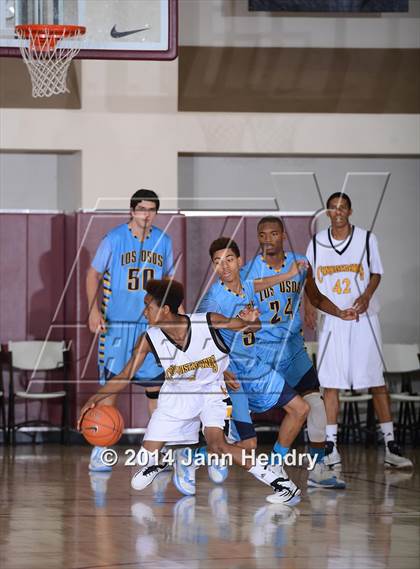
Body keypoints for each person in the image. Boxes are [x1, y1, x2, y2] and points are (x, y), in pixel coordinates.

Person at [79, 279, 302, 506]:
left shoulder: (207, 322)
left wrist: (252, 321)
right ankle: (164, 460)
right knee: (138, 480)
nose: (144, 312)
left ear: (165, 309)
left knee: (218, 445)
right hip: (175, 399)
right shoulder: (149, 339)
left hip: (211, 393)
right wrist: (95, 399)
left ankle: (283, 484)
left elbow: (249, 327)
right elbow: (124, 375)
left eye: (149, 306)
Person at [200, 237, 352, 489]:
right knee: (248, 447)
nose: (224, 266)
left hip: (257, 368)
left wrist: (290, 275)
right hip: (236, 375)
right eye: (217, 262)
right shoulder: (213, 299)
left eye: (229, 260)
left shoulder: (247, 286)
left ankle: (275, 463)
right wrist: (220, 369)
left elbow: (264, 285)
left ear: (240, 262)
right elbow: (198, 339)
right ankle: (195, 456)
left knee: (302, 409)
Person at [240, 216, 361, 482]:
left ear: (283, 235)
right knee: (236, 412)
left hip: (293, 349)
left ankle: (317, 470)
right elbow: (245, 302)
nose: (268, 239)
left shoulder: (300, 263)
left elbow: (315, 297)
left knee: (316, 407)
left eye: (273, 234)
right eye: (262, 235)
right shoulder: (249, 271)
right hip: (263, 352)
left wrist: (339, 312)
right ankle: (205, 454)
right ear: (258, 238)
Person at [304, 192, 413, 469]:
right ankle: (331, 446)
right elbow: (309, 281)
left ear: (350, 211)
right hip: (332, 319)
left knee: (375, 378)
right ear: (327, 213)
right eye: (332, 208)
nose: (337, 212)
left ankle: (390, 444)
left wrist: (366, 296)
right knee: (331, 383)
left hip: (364, 318)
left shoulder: (366, 239)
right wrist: (310, 307)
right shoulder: (316, 243)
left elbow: (376, 272)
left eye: (342, 207)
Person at [86, 189, 175, 472]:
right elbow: (92, 274)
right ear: (132, 210)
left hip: (150, 327)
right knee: (112, 387)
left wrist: (172, 317)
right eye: (141, 209)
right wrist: (92, 309)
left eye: (151, 210)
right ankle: (101, 449)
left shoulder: (164, 241)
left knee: (155, 390)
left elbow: (170, 281)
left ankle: (155, 453)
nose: (146, 214)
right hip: (117, 326)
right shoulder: (113, 239)